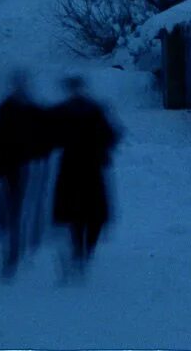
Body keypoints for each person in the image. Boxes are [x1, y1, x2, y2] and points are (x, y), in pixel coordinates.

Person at [50, 75, 120, 276]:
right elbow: (48, 135)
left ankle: (85, 249)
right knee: (78, 213)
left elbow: (111, 135)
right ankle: (80, 251)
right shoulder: (64, 111)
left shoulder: (94, 110)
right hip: (76, 168)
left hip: (88, 167)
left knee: (91, 213)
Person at [0, 70, 53, 278]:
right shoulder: (5, 108)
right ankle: (7, 234)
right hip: (5, 165)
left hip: (23, 166)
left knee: (16, 207)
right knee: (4, 207)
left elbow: (44, 135)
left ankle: (14, 250)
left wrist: (40, 153)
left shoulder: (32, 109)